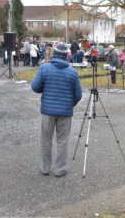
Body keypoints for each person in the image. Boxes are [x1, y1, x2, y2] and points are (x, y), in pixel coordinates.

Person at [31, 43, 82, 177]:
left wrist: (45, 88)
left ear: (54, 54)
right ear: (66, 56)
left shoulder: (45, 68)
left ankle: (44, 168)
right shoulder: (73, 72)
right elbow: (78, 95)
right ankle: (60, 170)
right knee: (62, 142)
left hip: (48, 111)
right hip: (65, 113)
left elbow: (35, 87)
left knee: (45, 141)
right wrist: (70, 104)